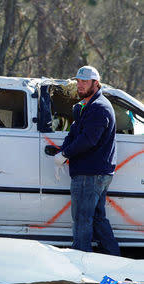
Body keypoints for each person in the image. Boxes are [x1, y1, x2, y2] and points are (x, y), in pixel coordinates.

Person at [45, 66, 120, 256]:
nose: (80, 85)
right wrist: (63, 151)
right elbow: (76, 133)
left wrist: (65, 155)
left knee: (81, 220)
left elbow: (88, 140)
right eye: (78, 81)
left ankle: (81, 265)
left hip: (90, 174)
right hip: (95, 172)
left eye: (85, 82)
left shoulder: (99, 107)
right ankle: (115, 260)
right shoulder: (88, 106)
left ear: (96, 83)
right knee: (96, 219)